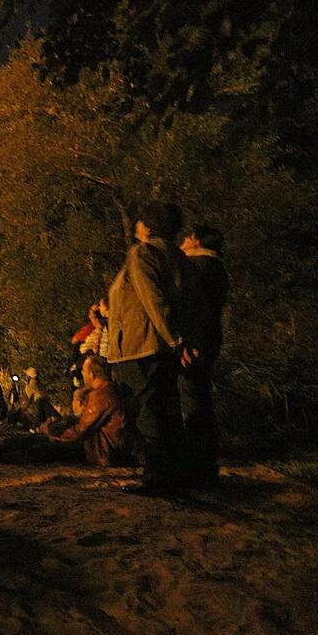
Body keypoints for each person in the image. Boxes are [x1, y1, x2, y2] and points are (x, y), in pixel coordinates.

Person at [106, 202, 193, 496]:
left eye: (139, 221)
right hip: (161, 347)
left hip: (140, 346)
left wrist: (174, 338)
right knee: (167, 409)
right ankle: (177, 474)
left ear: (149, 225)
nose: (135, 227)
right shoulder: (178, 256)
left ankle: (157, 477)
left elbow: (152, 299)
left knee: (146, 411)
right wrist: (181, 340)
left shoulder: (143, 253)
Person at [15, 355, 136, 466]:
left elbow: (81, 430)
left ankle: (0, 455)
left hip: (98, 451)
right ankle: (0, 449)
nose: (82, 374)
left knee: (41, 448)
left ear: (92, 374)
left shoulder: (102, 395)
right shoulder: (107, 391)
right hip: (95, 445)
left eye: (83, 370)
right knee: (35, 441)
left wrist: (53, 433)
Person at [178, 224, 229, 485]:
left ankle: (199, 466)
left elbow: (193, 307)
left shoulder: (198, 267)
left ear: (196, 240)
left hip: (196, 342)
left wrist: (187, 341)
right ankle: (205, 464)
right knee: (199, 397)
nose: (183, 241)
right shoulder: (216, 267)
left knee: (191, 400)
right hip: (208, 338)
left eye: (187, 237)